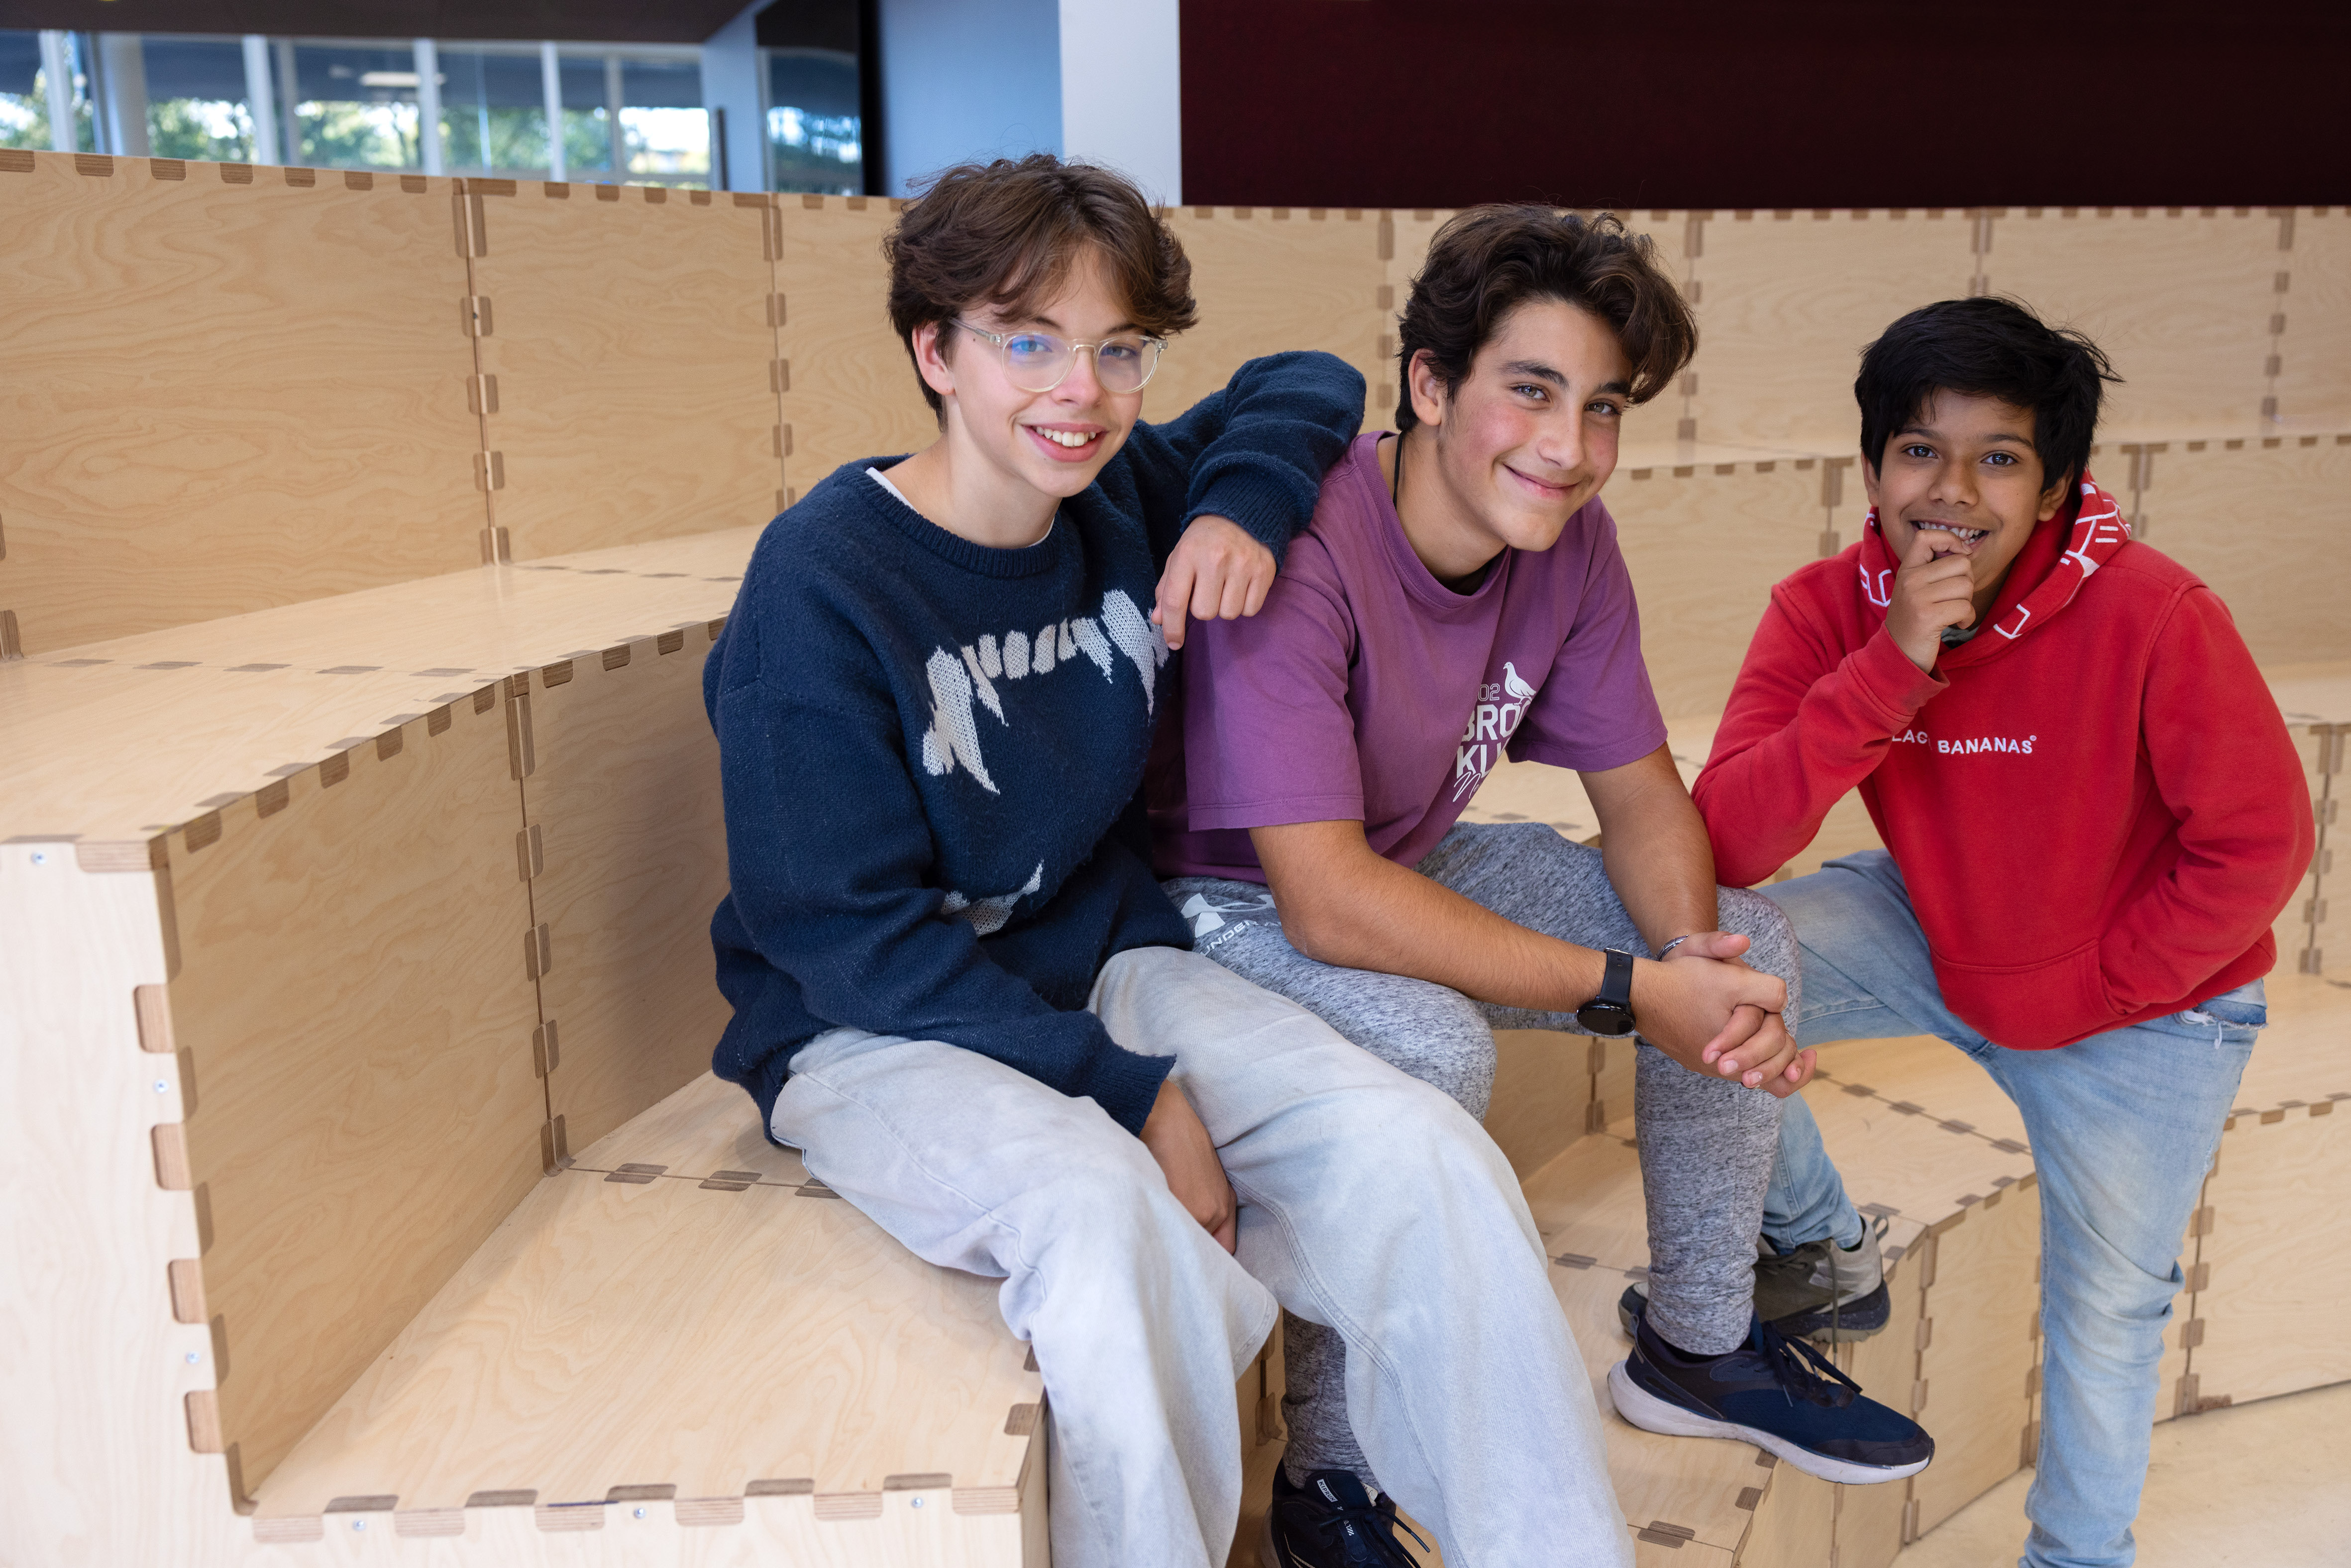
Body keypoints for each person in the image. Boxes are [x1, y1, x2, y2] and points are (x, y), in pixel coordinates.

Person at [703, 155, 1637, 1568]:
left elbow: (1311, 380)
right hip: (870, 1030)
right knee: (1098, 1222)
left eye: (1117, 349)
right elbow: (838, 933)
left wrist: (1237, 505)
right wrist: (1128, 1095)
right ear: (932, 351)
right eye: (1027, 342)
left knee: (1420, 1154)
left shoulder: (1122, 492)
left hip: (1103, 962)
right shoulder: (823, 580)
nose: (1078, 389)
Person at [1152, 204, 1933, 1567]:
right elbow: (1326, 905)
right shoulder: (1312, 550)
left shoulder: (1568, 542)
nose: (1567, 448)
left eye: (1602, 406)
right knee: (1424, 1053)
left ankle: (1696, 1345)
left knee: (1747, 936)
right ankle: (1326, 1473)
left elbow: (1637, 794)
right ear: (1430, 384)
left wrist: (1694, 963)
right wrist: (1640, 994)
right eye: (1528, 390)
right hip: (1222, 899)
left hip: (1395, 855)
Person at [1694, 296, 2313, 1568]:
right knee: (1697, 956)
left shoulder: (2154, 611)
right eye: (1920, 450)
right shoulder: (1831, 608)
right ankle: (1817, 1243)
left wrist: (2087, 987)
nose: (1952, 491)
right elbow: (1727, 842)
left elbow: (2257, 845)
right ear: (1870, 468)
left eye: (1999, 458)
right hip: (1943, 931)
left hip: (2151, 1001)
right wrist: (1893, 660)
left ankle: (2076, 1559)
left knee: (2110, 1311)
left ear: (2053, 484)